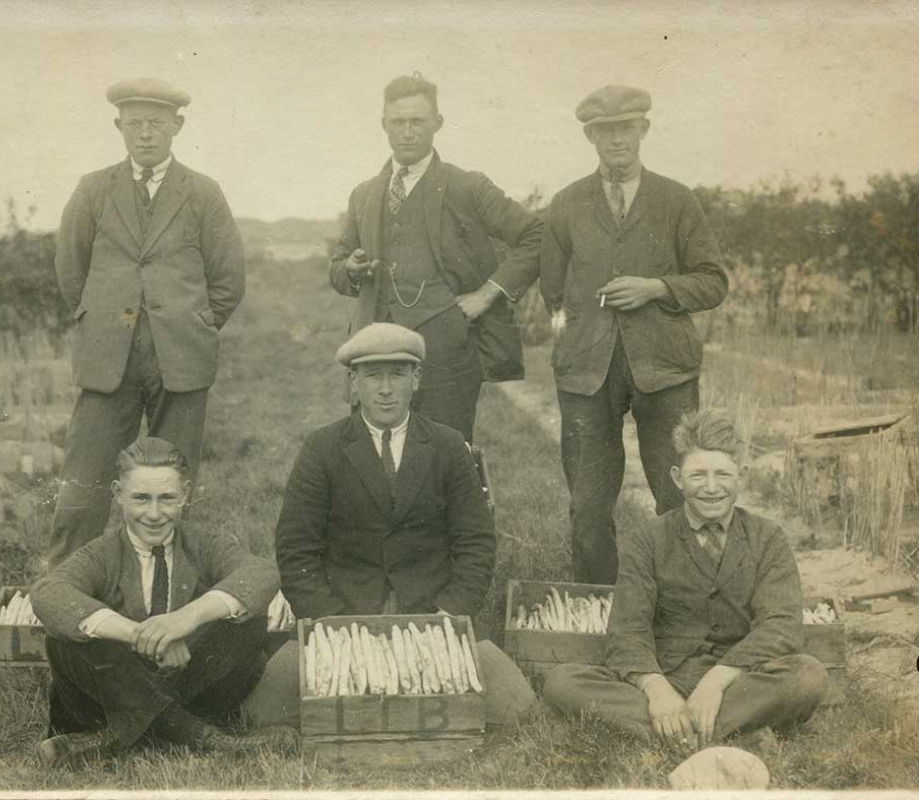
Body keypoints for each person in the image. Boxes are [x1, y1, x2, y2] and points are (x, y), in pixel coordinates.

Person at [243, 323, 537, 727]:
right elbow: (296, 550)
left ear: (416, 380)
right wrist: (331, 621)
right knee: (263, 714)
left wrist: (448, 614)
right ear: (353, 381)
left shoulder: (449, 445)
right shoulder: (322, 448)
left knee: (517, 710)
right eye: (372, 375)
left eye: (397, 375)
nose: (385, 389)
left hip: (431, 612)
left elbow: (476, 543)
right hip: (343, 615)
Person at [48, 77, 245, 569]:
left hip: (180, 358)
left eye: (156, 123)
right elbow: (70, 268)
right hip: (107, 356)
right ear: (119, 127)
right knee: (83, 483)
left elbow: (228, 277)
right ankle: (67, 585)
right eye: (134, 124)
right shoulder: (93, 189)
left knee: (173, 483)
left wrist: (193, 325)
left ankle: (168, 587)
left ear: (177, 126)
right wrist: (101, 321)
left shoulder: (202, 192)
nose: (145, 134)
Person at [543, 410, 828, 749]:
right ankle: (726, 729)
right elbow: (628, 630)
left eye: (722, 474)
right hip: (666, 679)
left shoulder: (768, 538)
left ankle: (673, 734)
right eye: (698, 475)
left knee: (808, 675)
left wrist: (717, 681)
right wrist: (656, 689)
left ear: (742, 476)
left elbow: (781, 626)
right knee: (561, 681)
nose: (711, 488)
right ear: (678, 478)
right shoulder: (648, 538)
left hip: (739, 680)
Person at [540, 84, 729, 585]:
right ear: (591, 137)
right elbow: (552, 295)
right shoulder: (566, 204)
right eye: (604, 131)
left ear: (643, 130)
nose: (615, 140)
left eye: (625, 128)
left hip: (664, 369)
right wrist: (568, 343)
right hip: (586, 375)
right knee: (587, 502)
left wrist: (657, 287)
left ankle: (685, 603)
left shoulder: (675, 200)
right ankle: (598, 606)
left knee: (680, 494)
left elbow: (713, 281)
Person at [30, 438, 292, 766]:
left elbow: (261, 573)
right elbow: (49, 593)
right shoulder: (102, 553)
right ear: (117, 494)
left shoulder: (203, 543)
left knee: (248, 614)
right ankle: (206, 739)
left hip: (187, 680)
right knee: (65, 638)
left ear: (185, 494)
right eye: (141, 498)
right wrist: (140, 635)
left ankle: (113, 738)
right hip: (117, 687)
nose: (154, 514)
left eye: (167, 498)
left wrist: (185, 619)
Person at [329, 73, 543, 443]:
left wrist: (487, 294)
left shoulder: (468, 187)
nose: (407, 131)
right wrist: (349, 268)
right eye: (398, 122)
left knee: (446, 459)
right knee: (373, 460)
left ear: (437, 124)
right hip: (374, 355)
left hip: (448, 356)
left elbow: (537, 236)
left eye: (418, 121)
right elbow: (337, 266)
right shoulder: (363, 195)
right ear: (384, 126)